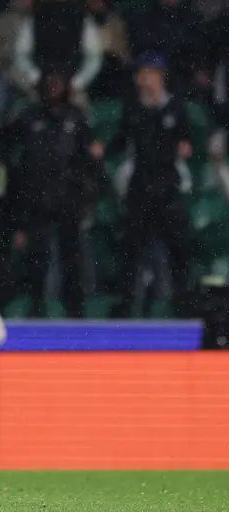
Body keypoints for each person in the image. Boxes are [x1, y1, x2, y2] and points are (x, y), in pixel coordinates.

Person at [1, 69, 103, 317]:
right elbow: (6, 146)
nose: (54, 88)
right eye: (50, 83)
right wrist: (21, 176)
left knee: (71, 254)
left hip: (69, 195)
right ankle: (36, 305)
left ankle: (75, 307)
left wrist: (87, 187)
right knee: (37, 254)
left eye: (58, 83)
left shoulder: (76, 117)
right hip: (36, 195)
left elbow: (90, 155)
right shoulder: (29, 116)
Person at [106, 53, 193, 317]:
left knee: (178, 250)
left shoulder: (175, 107)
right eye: (140, 75)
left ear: (159, 76)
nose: (142, 80)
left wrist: (187, 146)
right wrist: (103, 150)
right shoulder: (133, 108)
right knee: (131, 250)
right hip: (140, 187)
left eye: (148, 74)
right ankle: (126, 305)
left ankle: (184, 304)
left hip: (167, 187)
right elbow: (122, 139)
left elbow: (188, 141)